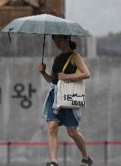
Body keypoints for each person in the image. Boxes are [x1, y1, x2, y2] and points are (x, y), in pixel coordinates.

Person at [38, 35, 93, 166]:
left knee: (72, 132)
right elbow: (52, 79)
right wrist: (43, 72)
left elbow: (86, 74)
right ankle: (54, 161)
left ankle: (86, 157)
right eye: (55, 40)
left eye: (59, 40)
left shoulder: (75, 57)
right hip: (55, 96)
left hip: (69, 96)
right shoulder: (57, 59)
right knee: (52, 127)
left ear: (67, 38)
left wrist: (67, 76)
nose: (57, 42)